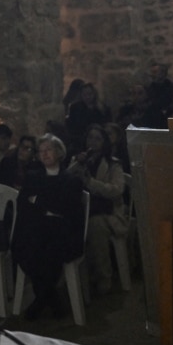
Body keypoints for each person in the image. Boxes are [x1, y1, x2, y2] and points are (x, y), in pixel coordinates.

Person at [10, 133, 84, 320]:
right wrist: (46, 205)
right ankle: (51, 298)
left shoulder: (71, 180)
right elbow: (23, 204)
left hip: (62, 232)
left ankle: (41, 300)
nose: (44, 154)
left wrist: (39, 201)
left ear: (59, 152)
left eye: (48, 150)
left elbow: (67, 209)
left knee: (48, 247)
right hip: (36, 229)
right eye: (41, 151)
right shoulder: (33, 177)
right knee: (28, 244)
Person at [66, 124, 128, 296]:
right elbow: (65, 179)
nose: (92, 141)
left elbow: (117, 189)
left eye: (97, 138)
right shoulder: (79, 160)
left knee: (95, 226)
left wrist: (91, 183)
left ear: (105, 142)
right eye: (90, 137)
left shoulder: (113, 164)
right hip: (83, 209)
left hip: (107, 212)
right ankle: (75, 277)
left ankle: (103, 277)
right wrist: (77, 164)